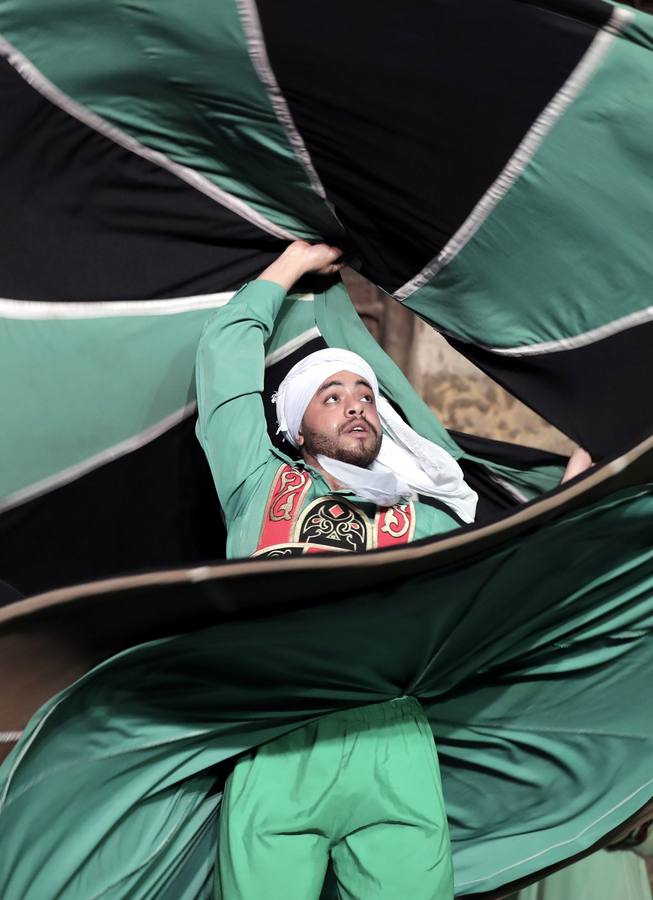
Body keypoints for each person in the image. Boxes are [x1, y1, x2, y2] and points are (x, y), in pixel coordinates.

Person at [195, 240, 591, 900]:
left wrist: (579, 503)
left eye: (365, 394)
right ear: (295, 426)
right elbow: (223, 355)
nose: (355, 404)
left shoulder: (423, 518)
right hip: (277, 741)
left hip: (392, 743)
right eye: (330, 395)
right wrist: (290, 267)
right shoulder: (258, 483)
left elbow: (510, 579)